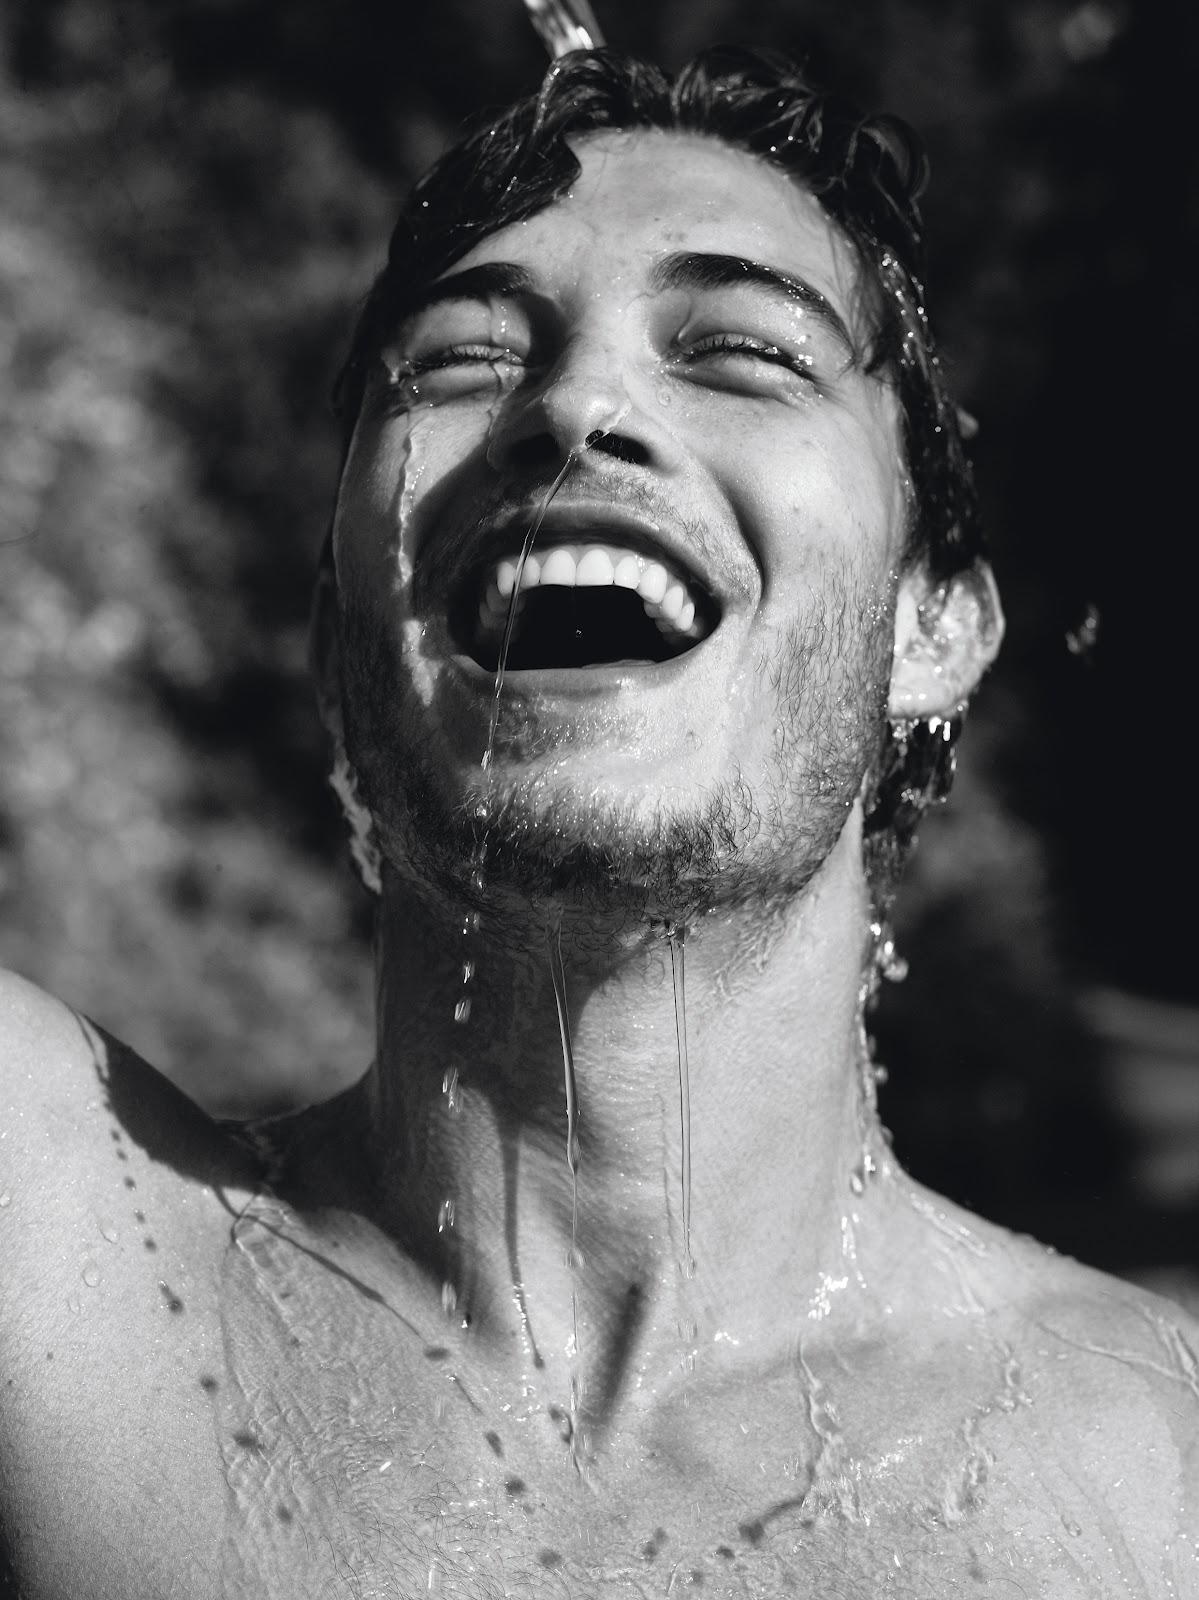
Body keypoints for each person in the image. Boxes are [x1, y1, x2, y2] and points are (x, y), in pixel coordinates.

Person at [1, 46, 1196, 1600]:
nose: (576, 404)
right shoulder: (57, 1263)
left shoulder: (1164, 1478)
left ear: (934, 622)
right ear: (339, 637)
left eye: (743, 350)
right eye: (458, 359)